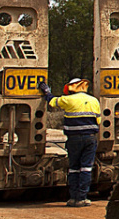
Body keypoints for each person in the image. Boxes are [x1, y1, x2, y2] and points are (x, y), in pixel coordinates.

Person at [41, 77, 102, 207]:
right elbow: (98, 121)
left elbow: (52, 102)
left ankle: (73, 198)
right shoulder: (94, 101)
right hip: (90, 138)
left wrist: (46, 92)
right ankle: (82, 198)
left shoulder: (68, 100)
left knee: (74, 168)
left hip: (74, 139)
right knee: (86, 168)